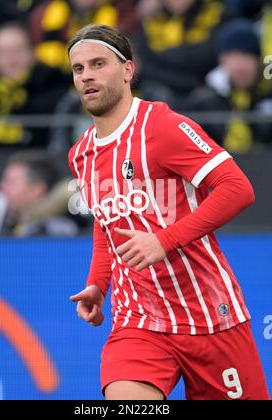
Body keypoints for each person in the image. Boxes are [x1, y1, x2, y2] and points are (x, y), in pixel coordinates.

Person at [68, 24, 270, 400]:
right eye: (79, 69)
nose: (87, 76)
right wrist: (98, 282)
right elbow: (106, 220)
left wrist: (165, 240)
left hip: (211, 316)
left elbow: (237, 188)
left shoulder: (162, 126)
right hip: (138, 321)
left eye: (98, 64)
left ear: (128, 70)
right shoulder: (80, 154)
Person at [0, 21, 70, 147]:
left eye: (18, 50)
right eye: (2, 52)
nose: (11, 59)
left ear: (33, 52)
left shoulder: (55, 88)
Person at [185, 20, 272, 152]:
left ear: (257, 60)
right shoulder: (205, 101)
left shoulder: (267, 91)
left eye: (246, 56)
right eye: (232, 57)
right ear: (222, 60)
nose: (239, 66)